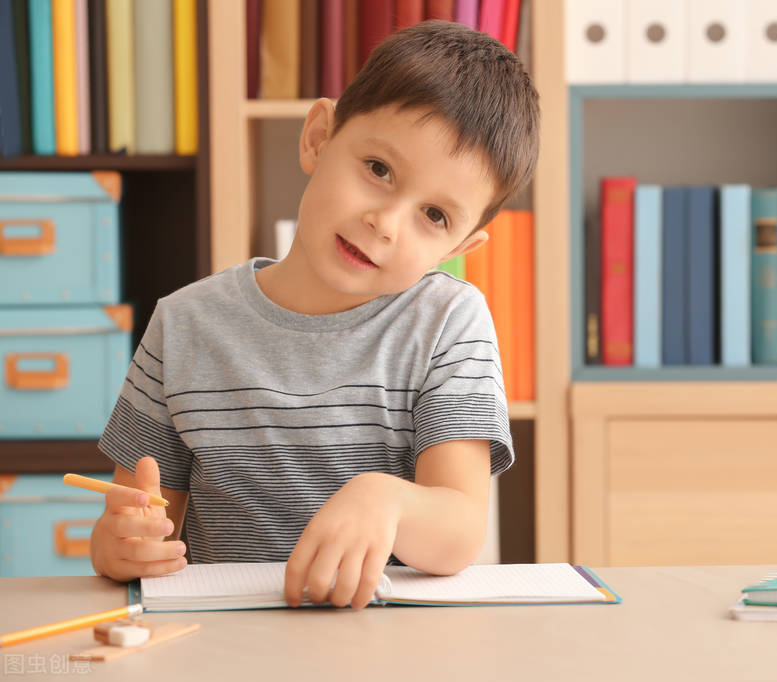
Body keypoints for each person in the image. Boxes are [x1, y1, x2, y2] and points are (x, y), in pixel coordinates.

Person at [89, 20, 540, 611]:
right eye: (378, 169)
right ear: (319, 137)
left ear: (459, 247)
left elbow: (459, 531)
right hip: (227, 649)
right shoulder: (183, 324)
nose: (386, 222)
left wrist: (387, 499)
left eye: (434, 215)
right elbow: (140, 527)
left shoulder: (449, 323)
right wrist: (118, 545)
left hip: (387, 646)